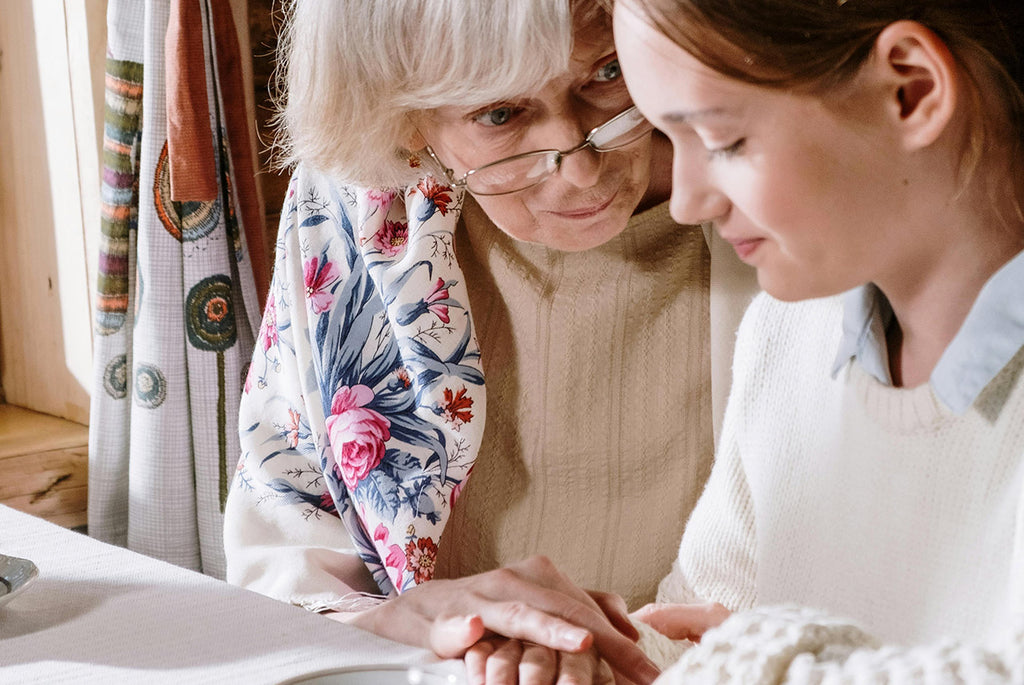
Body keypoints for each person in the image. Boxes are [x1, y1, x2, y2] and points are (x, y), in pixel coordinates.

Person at [223, 0, 757, 683]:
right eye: (501, 114)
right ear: (406, 119)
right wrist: (405, 617)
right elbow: (278, 564)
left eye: (608, 72)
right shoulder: (352, 209)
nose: (581, 166)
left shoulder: (772, 193)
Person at [612, 0, 1024, 681]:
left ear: (911, 90)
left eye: (722, 139)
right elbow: (709, 636)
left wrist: (755, 658)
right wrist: (603, 653)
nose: (685, 202)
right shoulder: (789, 334)